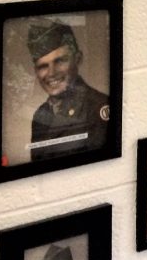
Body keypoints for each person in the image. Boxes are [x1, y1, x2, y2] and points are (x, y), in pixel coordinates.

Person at [25, 19, 109, 161]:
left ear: (78, 59)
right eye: (43, 66)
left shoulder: (98, 107)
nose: (51, 73)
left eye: (59, 61)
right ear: (36, 72)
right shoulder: (40, 114)